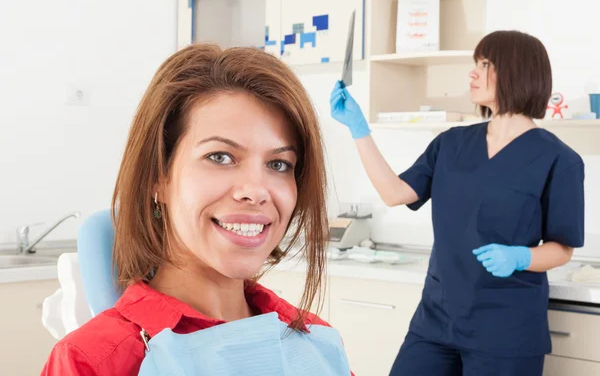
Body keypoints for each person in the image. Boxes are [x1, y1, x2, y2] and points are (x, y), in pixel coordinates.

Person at [42, 43, 353, 375]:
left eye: (279, 163)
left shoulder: (316, 341)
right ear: (157, 177)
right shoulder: (90, 360)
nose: (256, 191)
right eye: (220, 157)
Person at [330, 30, 584, 376]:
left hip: (506, 331)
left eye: (485, 64)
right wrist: (358, 130)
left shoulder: (558, 159)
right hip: (436, 320)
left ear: (517, 71)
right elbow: (395, 193)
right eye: (475, 64)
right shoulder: (451, 143)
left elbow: (562, 248)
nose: (473, 73)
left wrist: (521, 257)